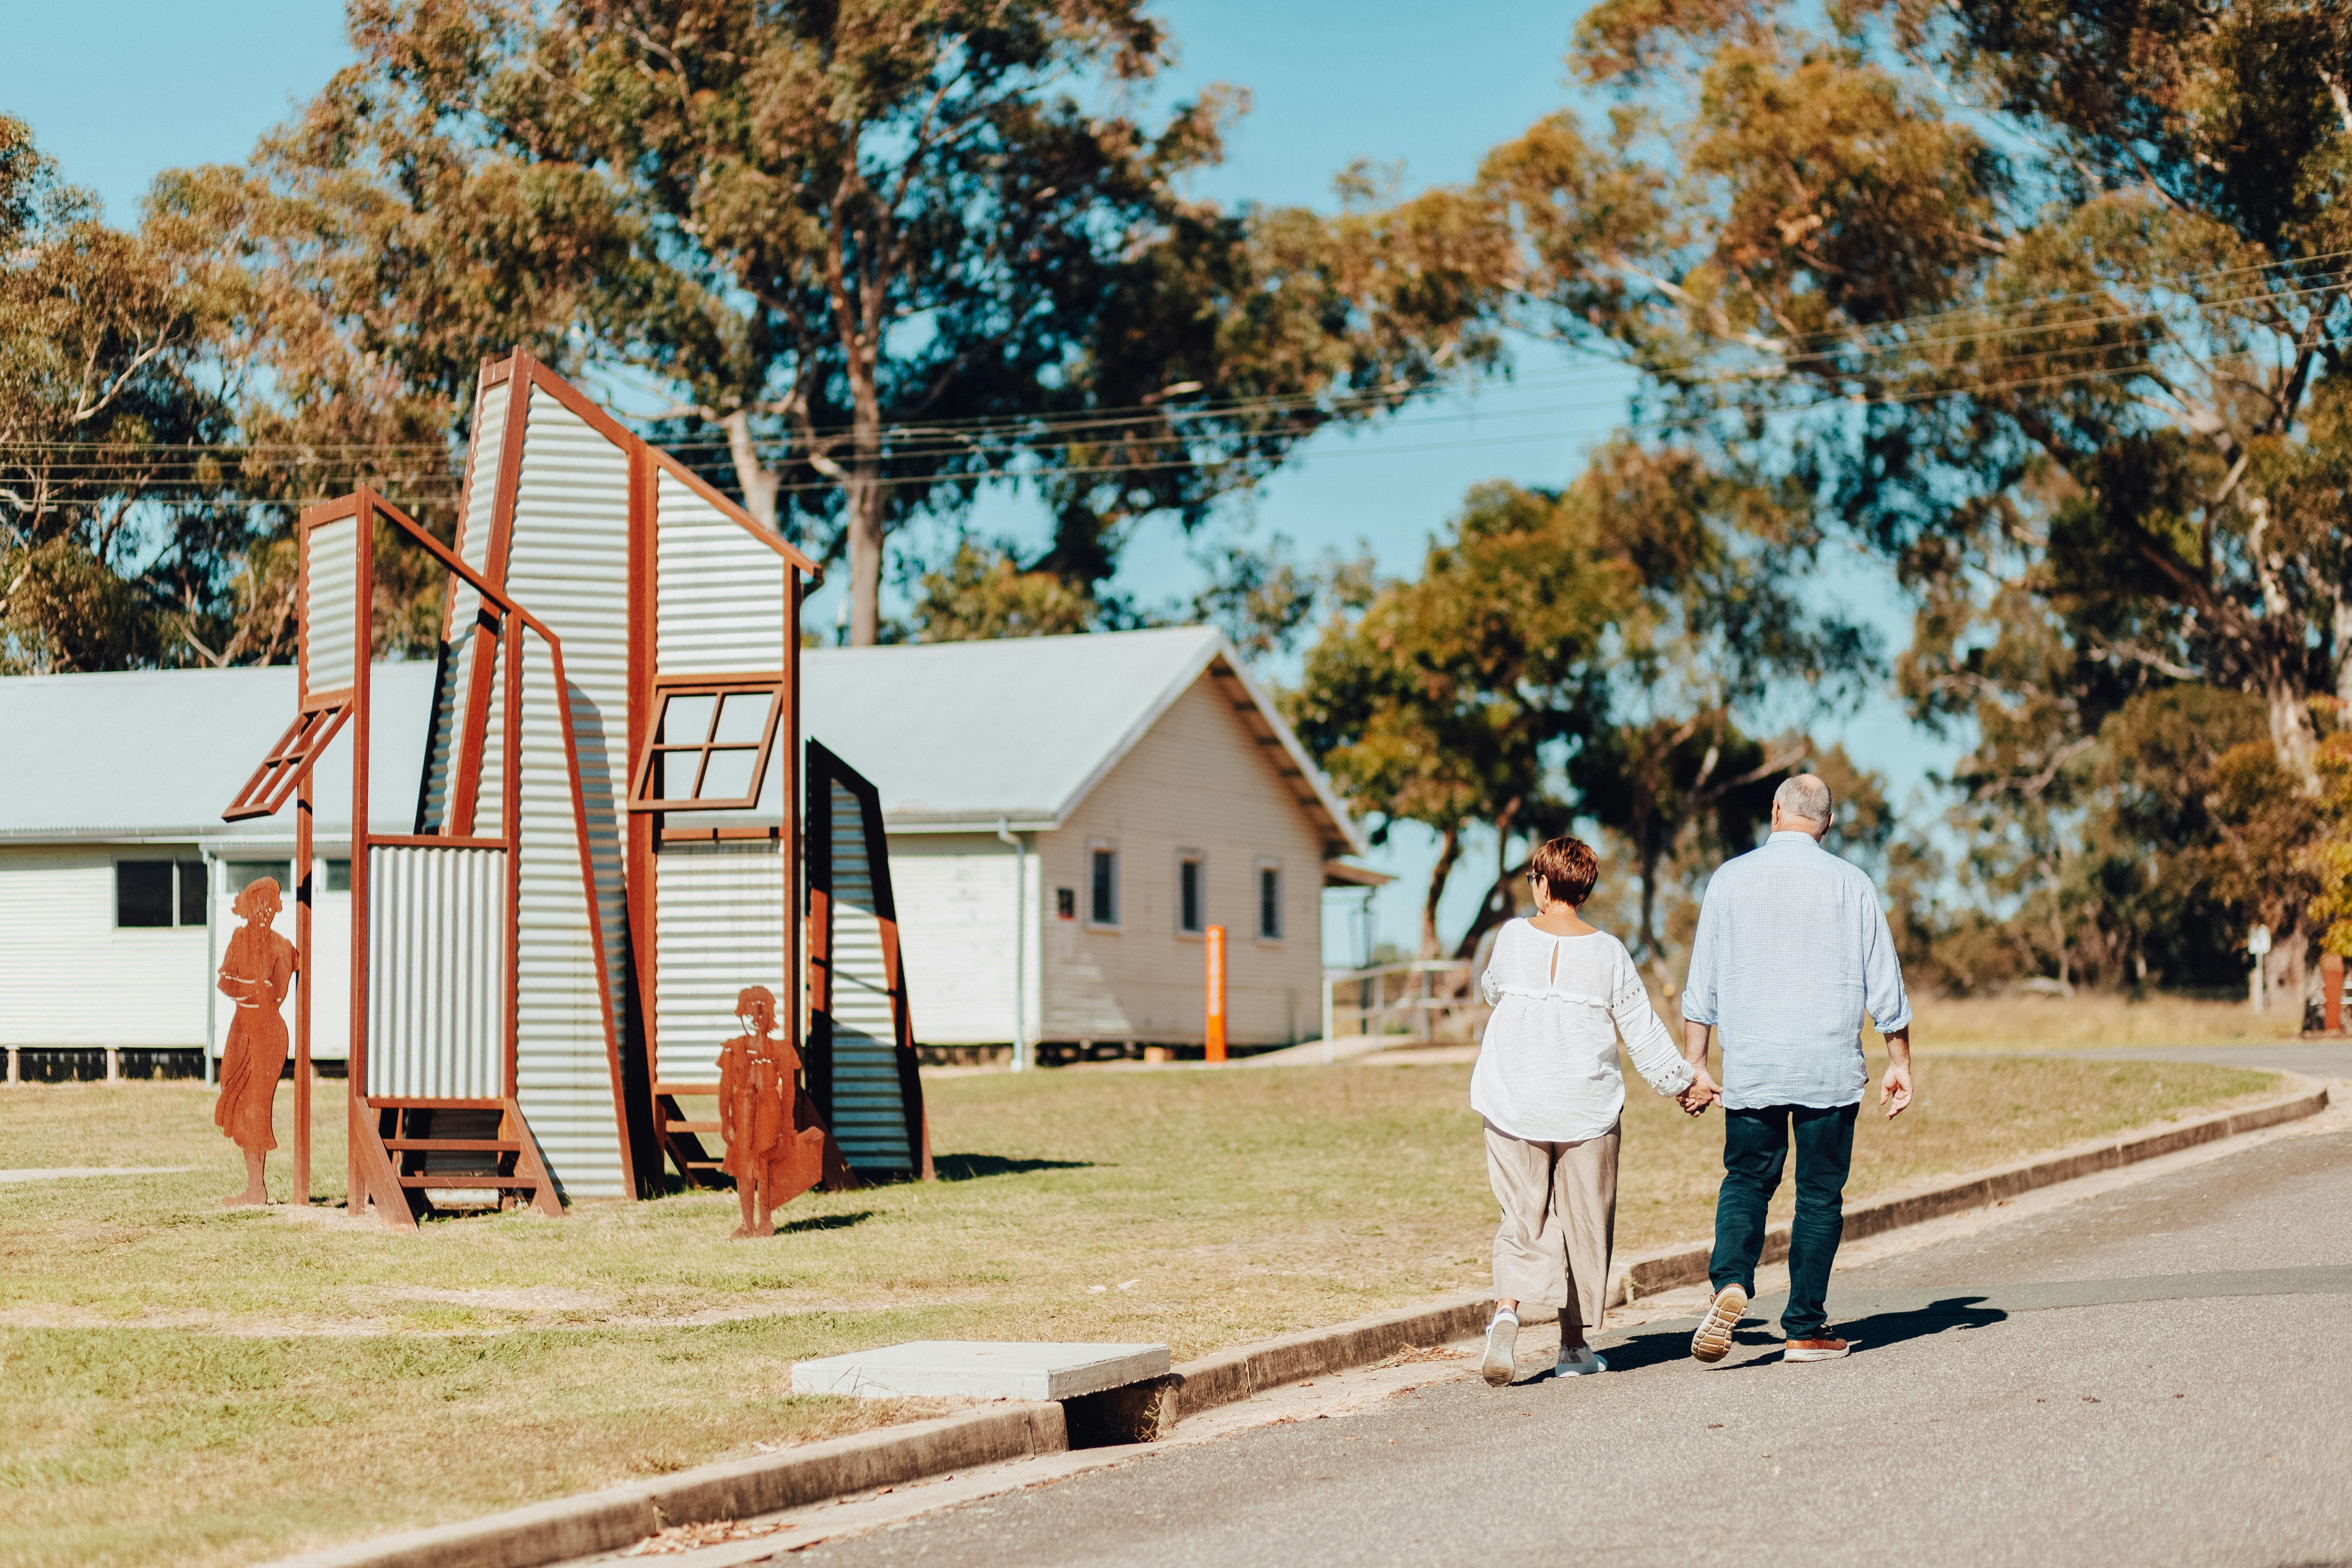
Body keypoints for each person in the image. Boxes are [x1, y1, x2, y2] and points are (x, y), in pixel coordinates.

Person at [1678, 773, 1913, 1365]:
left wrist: (1696, 1065)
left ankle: (1731, 1280)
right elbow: (1885, 985)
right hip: (1829, 1067)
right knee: (1818, 1196)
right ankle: (1806, 1329)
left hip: (1755, 1064)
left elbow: (1701, 985)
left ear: (1776, 811)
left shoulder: (1728, 880)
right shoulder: (1852, 883)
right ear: (1827, 824)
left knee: (1748, 1181)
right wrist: (1899, 1062)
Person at [1472, 835, 1720, 1388]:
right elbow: (1643, 1033)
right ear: (1585, 889)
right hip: (1585, 1107)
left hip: (1514, 1101)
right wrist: (1684, 1084)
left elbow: (1492, 991)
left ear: (1541, 882)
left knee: (1524, 1213)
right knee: (1585, 1223)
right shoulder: (1609, 952)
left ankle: (1507, 1313)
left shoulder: (1511, 936)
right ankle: (1573, 1347)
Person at [716, 985, 828, 1238]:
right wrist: (726, 1120)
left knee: (767, 1165)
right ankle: (747, 1224)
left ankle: (765, 1221)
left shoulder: (781, 1050)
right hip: (743, 1112)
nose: (755, 1020)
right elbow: (725, 1087)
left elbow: (789, 1090)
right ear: (741, 1016)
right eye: (749, 1015)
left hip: (770, 1110)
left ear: (770, 1017)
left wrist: (787, 1121)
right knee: (744, 1167)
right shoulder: (733, 1048)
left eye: (761, 1015)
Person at [213, 876, 295, 1207]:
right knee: (241, 1106)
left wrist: (266, 989)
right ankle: (254, 1187)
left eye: (270, 909)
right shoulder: (239, 938)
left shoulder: (281, 946)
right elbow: (226, 981)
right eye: (260, 908)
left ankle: (257, 1189)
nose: (264, 915)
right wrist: (250, 989)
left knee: (258, 1107)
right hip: (242, 1030)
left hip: (269, 1034)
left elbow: (279, 989)